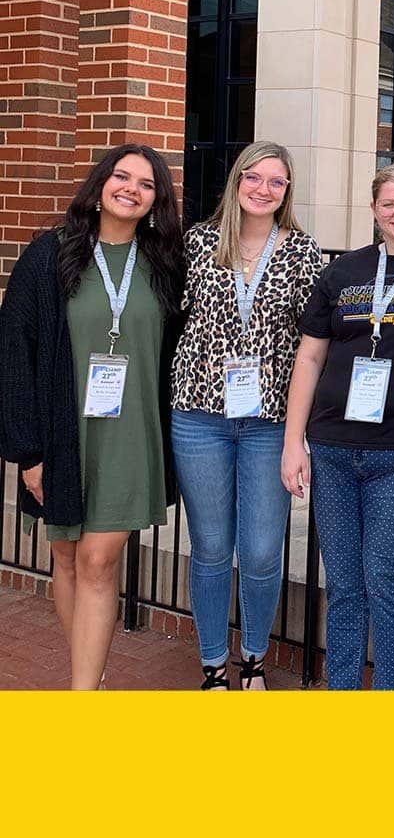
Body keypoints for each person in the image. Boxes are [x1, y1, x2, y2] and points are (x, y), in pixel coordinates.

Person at [0, 145, 184, 689]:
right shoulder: (48, 254)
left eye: (146, 184)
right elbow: (15, 351)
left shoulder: (167, 263)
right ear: (100, 184)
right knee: (65, 555)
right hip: (64, 430)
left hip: (130, 434)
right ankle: (93, 676)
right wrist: (27, 449)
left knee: (99, 561)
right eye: (121, 176)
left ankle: (82, 699)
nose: (131, 188)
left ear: (157, 200)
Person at [281, 162, 394, 689]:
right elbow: (308, 359)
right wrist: (294, 442)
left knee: (388, 580)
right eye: (389, 204)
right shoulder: (343, 272)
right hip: (331, 448)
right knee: (346, 584)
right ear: (374, 210)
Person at [170, 141, 323, 690]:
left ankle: (253, 657)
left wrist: (301, 434)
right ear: (236, 182)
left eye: (276, 182)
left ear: (287, 192)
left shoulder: (303, 253)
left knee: (260, 550)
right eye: (253, 178)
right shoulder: (197, 244)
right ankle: (213, 664)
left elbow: (314, 344)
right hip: (198, 416)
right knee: (210, 546)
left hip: (270, 423)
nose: (263, 189)